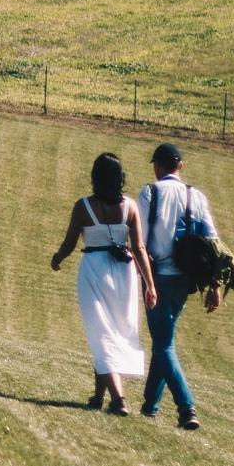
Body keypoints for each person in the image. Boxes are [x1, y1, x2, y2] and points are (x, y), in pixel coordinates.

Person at [51, 152, 159, 415]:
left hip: (94, 270)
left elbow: (69, 242)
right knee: (113, 331)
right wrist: (150, 285)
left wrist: (57, 258)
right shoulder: (130, 207)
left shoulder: (83, 206)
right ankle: (98, 396)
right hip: (124, 273)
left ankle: (119, 399)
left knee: (101, 333)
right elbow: (140, 248)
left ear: (94, 177)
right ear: (120, 178)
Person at [137, 142, 220, 430]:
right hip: (186, 281)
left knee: (163, 345)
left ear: (157, 167)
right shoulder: (196, 196)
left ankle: (187, 408)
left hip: (157, 277)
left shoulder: (150, 192)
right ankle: (149, 406)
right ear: (180, 166)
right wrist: (215, 286)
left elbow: (140, 242)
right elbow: (212, 245)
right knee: (165, 342)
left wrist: (146, 281)